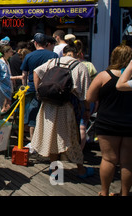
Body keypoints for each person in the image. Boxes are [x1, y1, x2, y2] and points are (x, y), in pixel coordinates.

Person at [31, 43, 94, 180]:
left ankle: (55, 171)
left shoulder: (53, 62)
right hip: (67, 107)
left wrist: (39, 92)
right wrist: (87, 110)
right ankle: (81, 170)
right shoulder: (80, 66)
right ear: (77, 54)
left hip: (48, 106)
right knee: (71, 139)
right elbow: (86, 95)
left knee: (53, 138)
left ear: (64, 53)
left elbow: (36, 72)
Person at [87, 45, 132, 196]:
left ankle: (104, 192)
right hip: (129, 123)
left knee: (108, 159)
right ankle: (125, 193)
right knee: (127, 162)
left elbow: (89, 98)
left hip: (107, 122)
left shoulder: (103, 76)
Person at [20, 33, 58, 138]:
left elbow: (24, 75)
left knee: (32, 115)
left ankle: (33, 140)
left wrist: (24, 87)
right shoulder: (53, 55)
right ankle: (46, 139)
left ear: (35, 43)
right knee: (48, 114)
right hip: (49, 89)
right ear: (45, 43)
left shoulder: (29, 56)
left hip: (32, 89)